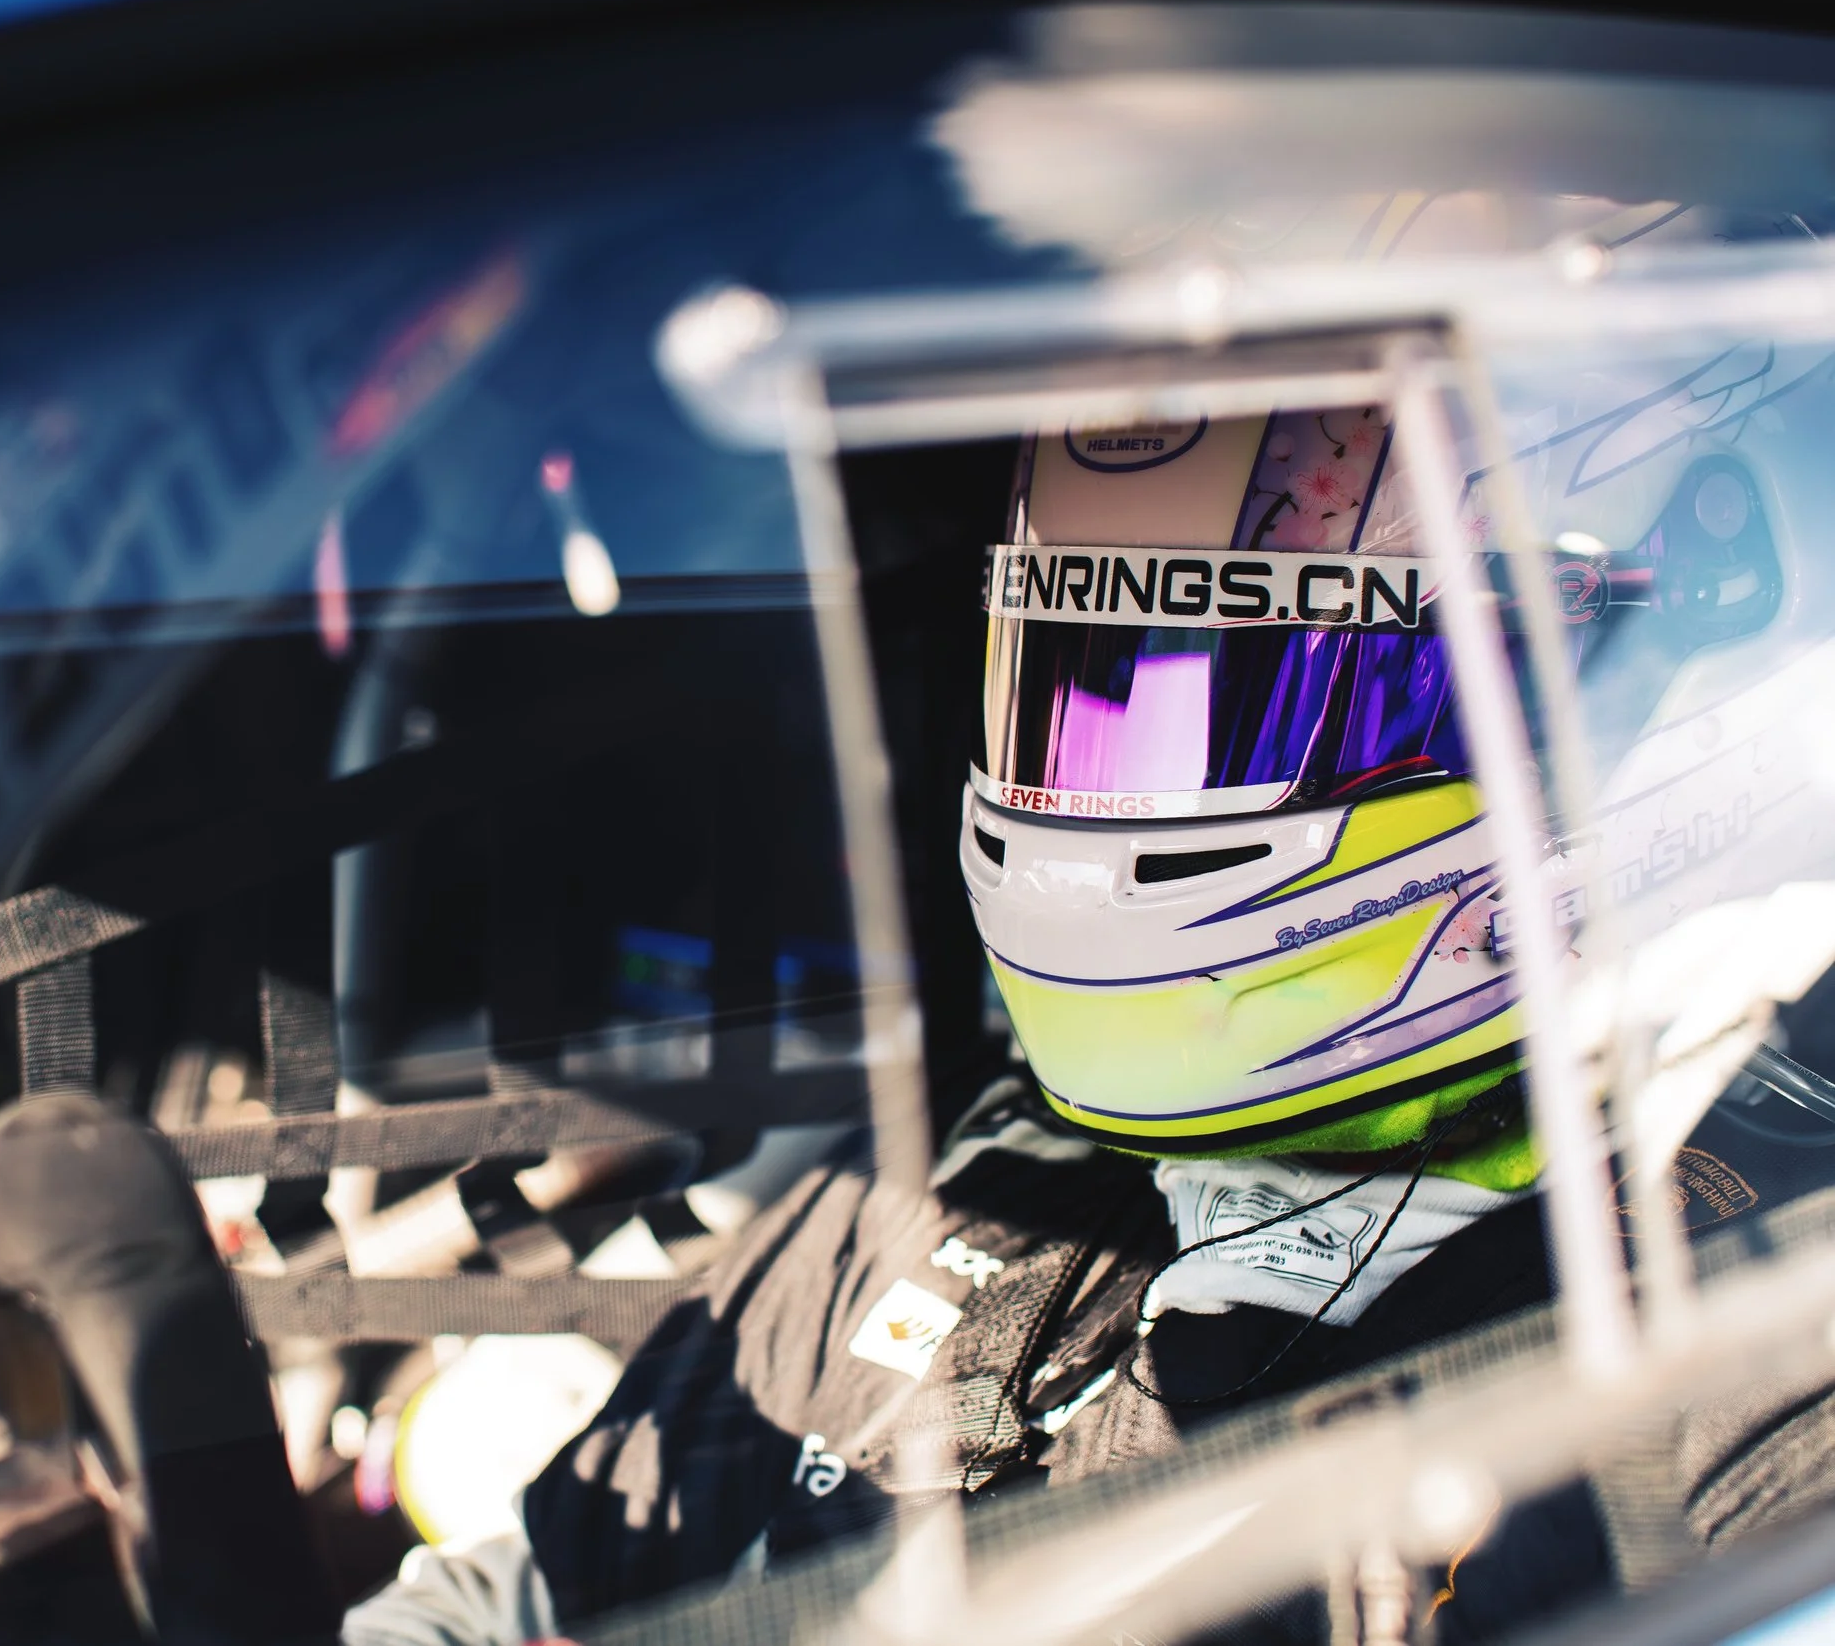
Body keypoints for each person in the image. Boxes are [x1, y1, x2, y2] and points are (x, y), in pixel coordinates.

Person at [342, 401, 1835, 1646]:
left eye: (1250, 703)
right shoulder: (984, 1168)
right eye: (1094, 693)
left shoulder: (1757, 1359)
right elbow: (515, 1587)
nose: (1119, 799)